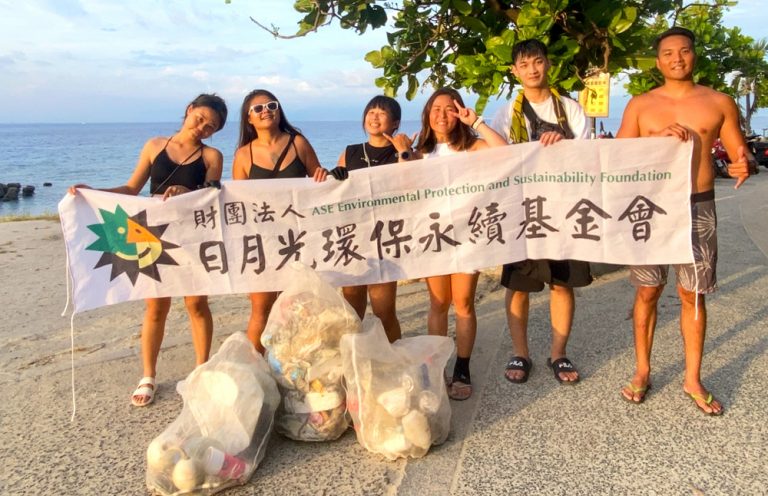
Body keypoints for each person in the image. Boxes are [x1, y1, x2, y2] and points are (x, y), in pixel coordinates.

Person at [616, 26, 755, 415]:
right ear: (657, 60)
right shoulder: (641, 105)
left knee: (693, 294)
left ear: (695, 55)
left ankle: (692, 376)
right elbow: (618, 158)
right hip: (652, 205)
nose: (677, 58)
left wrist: (745, 163)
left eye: (685, 51)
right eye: (668, 53)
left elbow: (737, 153)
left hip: (698, 205)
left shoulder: (719, 101)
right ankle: (642, 369)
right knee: (647, 291)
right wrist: (656, 137)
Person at [69, 93, 228, 406]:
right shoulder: (155, 146)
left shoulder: (212, 156)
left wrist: (187, 191)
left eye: (210, 127)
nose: (202, 129)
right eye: (200, 120)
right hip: (152, 235)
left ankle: (201, 369)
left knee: (197, 305)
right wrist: (92, 192)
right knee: (156, 307)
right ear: (189, 110)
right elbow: (131, 190)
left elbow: (211, 194)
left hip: (191, 235)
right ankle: (148, 375)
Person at [490, 39, 592, 386]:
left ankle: (558, 353)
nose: (532, 69)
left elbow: (588, 158)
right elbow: (497, 158)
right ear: (514, 71)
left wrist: (562, 147)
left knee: (562, 284)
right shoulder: (507, 114)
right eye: (524, 64)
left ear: (548, 64)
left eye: (538, 62)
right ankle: (521, 352)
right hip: (523, 211)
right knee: (519, 286)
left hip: (564, 209)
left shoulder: (570, 109)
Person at [231, 89, 342, 353]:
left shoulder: (298, 143)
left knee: (296, 304)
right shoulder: (243, 155)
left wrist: (325, 175)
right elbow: (238, 203)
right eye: (258, 108)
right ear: (249, 119)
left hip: (299, 238)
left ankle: (292, 364)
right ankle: (255, 367)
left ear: (279, 110)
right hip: (263, 241)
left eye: (271, 105)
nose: (265, 110)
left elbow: (319, 180)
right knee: (261, 306)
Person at [415, 88, 507, 400]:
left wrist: (477, 121)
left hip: (468, 237)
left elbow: (503, 150)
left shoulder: (472, 147)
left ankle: (463, 367)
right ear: (428, 114)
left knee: (464, 303)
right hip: (433, 237)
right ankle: (436, 364)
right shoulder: (421, 152)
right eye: (435, 109)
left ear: (458, 112)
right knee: (438, 303)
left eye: (448, 108)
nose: (441, 115)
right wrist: (403, 153)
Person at [337, 95, 415, 343]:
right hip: (354, 238)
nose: (374, 117)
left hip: (386, 239)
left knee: (384, 311)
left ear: (395, 123)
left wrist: (404, 152)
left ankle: (394, 356)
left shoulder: (403, 153)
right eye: (371, 112)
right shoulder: (350, 152)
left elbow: (412, 188)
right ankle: (355, 359)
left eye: (382, 113)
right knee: (351, 311)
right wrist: (331, 176)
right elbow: (333, 195)